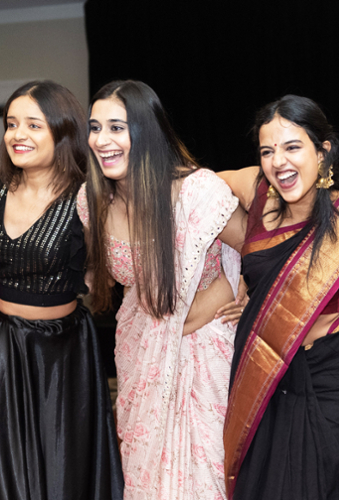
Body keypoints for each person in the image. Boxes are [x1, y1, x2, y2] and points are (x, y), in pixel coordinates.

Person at [219, 95, 339, 500]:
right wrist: (235, 282)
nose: (278, 161)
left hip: (337, 377)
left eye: (292, 147)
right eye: (267, 151)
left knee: (330, 485)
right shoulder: (256, 194)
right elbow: (194, 193)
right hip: (270, 374)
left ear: (322, 152)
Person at [0, 81, 123, 500]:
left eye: (33, 124)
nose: (17, 135)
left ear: (63, 132)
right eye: (11, 124)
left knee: (62, 467)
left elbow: (115, 265)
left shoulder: (89, 195)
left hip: (65, 354)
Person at [78, 80, 245, 499]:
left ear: (147, 130)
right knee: (146, 477)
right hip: (141, 355)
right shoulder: (92, 201)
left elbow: (263, 250)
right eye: (95, 128)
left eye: (117, 127)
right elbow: (109, 278)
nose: (102, 139)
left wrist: (246, 290)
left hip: (206, 355)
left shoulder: (196, 192)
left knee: (206, 473)